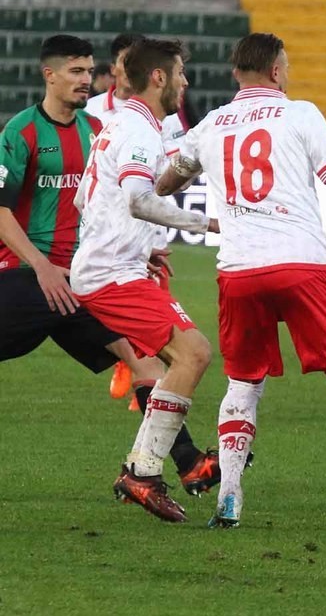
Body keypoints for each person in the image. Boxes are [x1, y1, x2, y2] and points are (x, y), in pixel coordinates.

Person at [155, 33, 326, 533]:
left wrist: (188, 168)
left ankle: (229, 498)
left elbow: (165, 181)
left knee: (243, 384)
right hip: (304, 265)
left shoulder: (211, 124)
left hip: (239, 271)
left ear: (236, 73)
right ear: (277, 72)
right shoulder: (301, 114)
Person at [0, 35, 219, 499]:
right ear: (50, 75)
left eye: (89, 71)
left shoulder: (97, 128)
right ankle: (159, 469)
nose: (88, 80)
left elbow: (94, 200)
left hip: (81, 278)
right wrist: (39, 266)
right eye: (77, 72)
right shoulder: (21, 132)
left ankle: (174, 467)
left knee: (146, 359)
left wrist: (140, 247)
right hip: (28, 275)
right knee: (175, 353)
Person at [71, 38, 219, 523]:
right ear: (158, 77)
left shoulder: (119, 124)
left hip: (117, 267)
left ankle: (145, 469)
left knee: (179, 358)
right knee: (193, 352)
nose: (185, 82)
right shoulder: (139, 131)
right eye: (179, 73)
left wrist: (142, 244)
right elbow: (137, 197)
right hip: (112, 276)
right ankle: (143, 471)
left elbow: (87, 202)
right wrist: (204, 224)